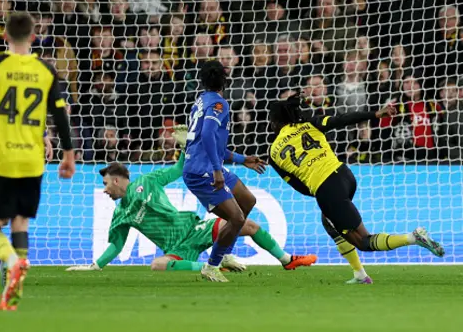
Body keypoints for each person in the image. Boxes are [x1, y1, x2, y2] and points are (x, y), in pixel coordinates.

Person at [67, 126, 317, 272]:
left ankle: (287, 260)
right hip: (177, 248)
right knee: (157, 265)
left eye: (106, 183)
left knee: (247, 224)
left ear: (118, 179)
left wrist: (185, 148)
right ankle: (212, 267)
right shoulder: (121, 215)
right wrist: (95, 266)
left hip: (192, 227)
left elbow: (177, 171)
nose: (105, 190)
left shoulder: (148, 181)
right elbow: (116, 246)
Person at [267, 95, 445, 284]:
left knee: (363, 241)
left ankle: (412, 237)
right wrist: (376, 113)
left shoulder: (274, 153)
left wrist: (322, 193)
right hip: (345, 175)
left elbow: (298, 186)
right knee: (329, 222)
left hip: (326, 188)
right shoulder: (311, 124)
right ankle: (359, 274)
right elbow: (343, 119)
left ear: (275, 122)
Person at [0, 12, 75, 311]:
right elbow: (61, 117)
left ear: (4, 37)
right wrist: (68, 154)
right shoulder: (45, 70)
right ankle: (17, 281)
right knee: (20, 221)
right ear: (34, 37)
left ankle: (12, 262)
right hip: (31, 161)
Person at [182, 60, 267, 282]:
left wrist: (241, 159)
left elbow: (213, 144)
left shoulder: (200, 101)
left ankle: (225, 252)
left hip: (205, 165)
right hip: (203, 171)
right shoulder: (219, 104)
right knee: (237, 218)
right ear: (225, 81)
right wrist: (218, 171)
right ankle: (212, 265)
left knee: (247, 200)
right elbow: (209, 135)